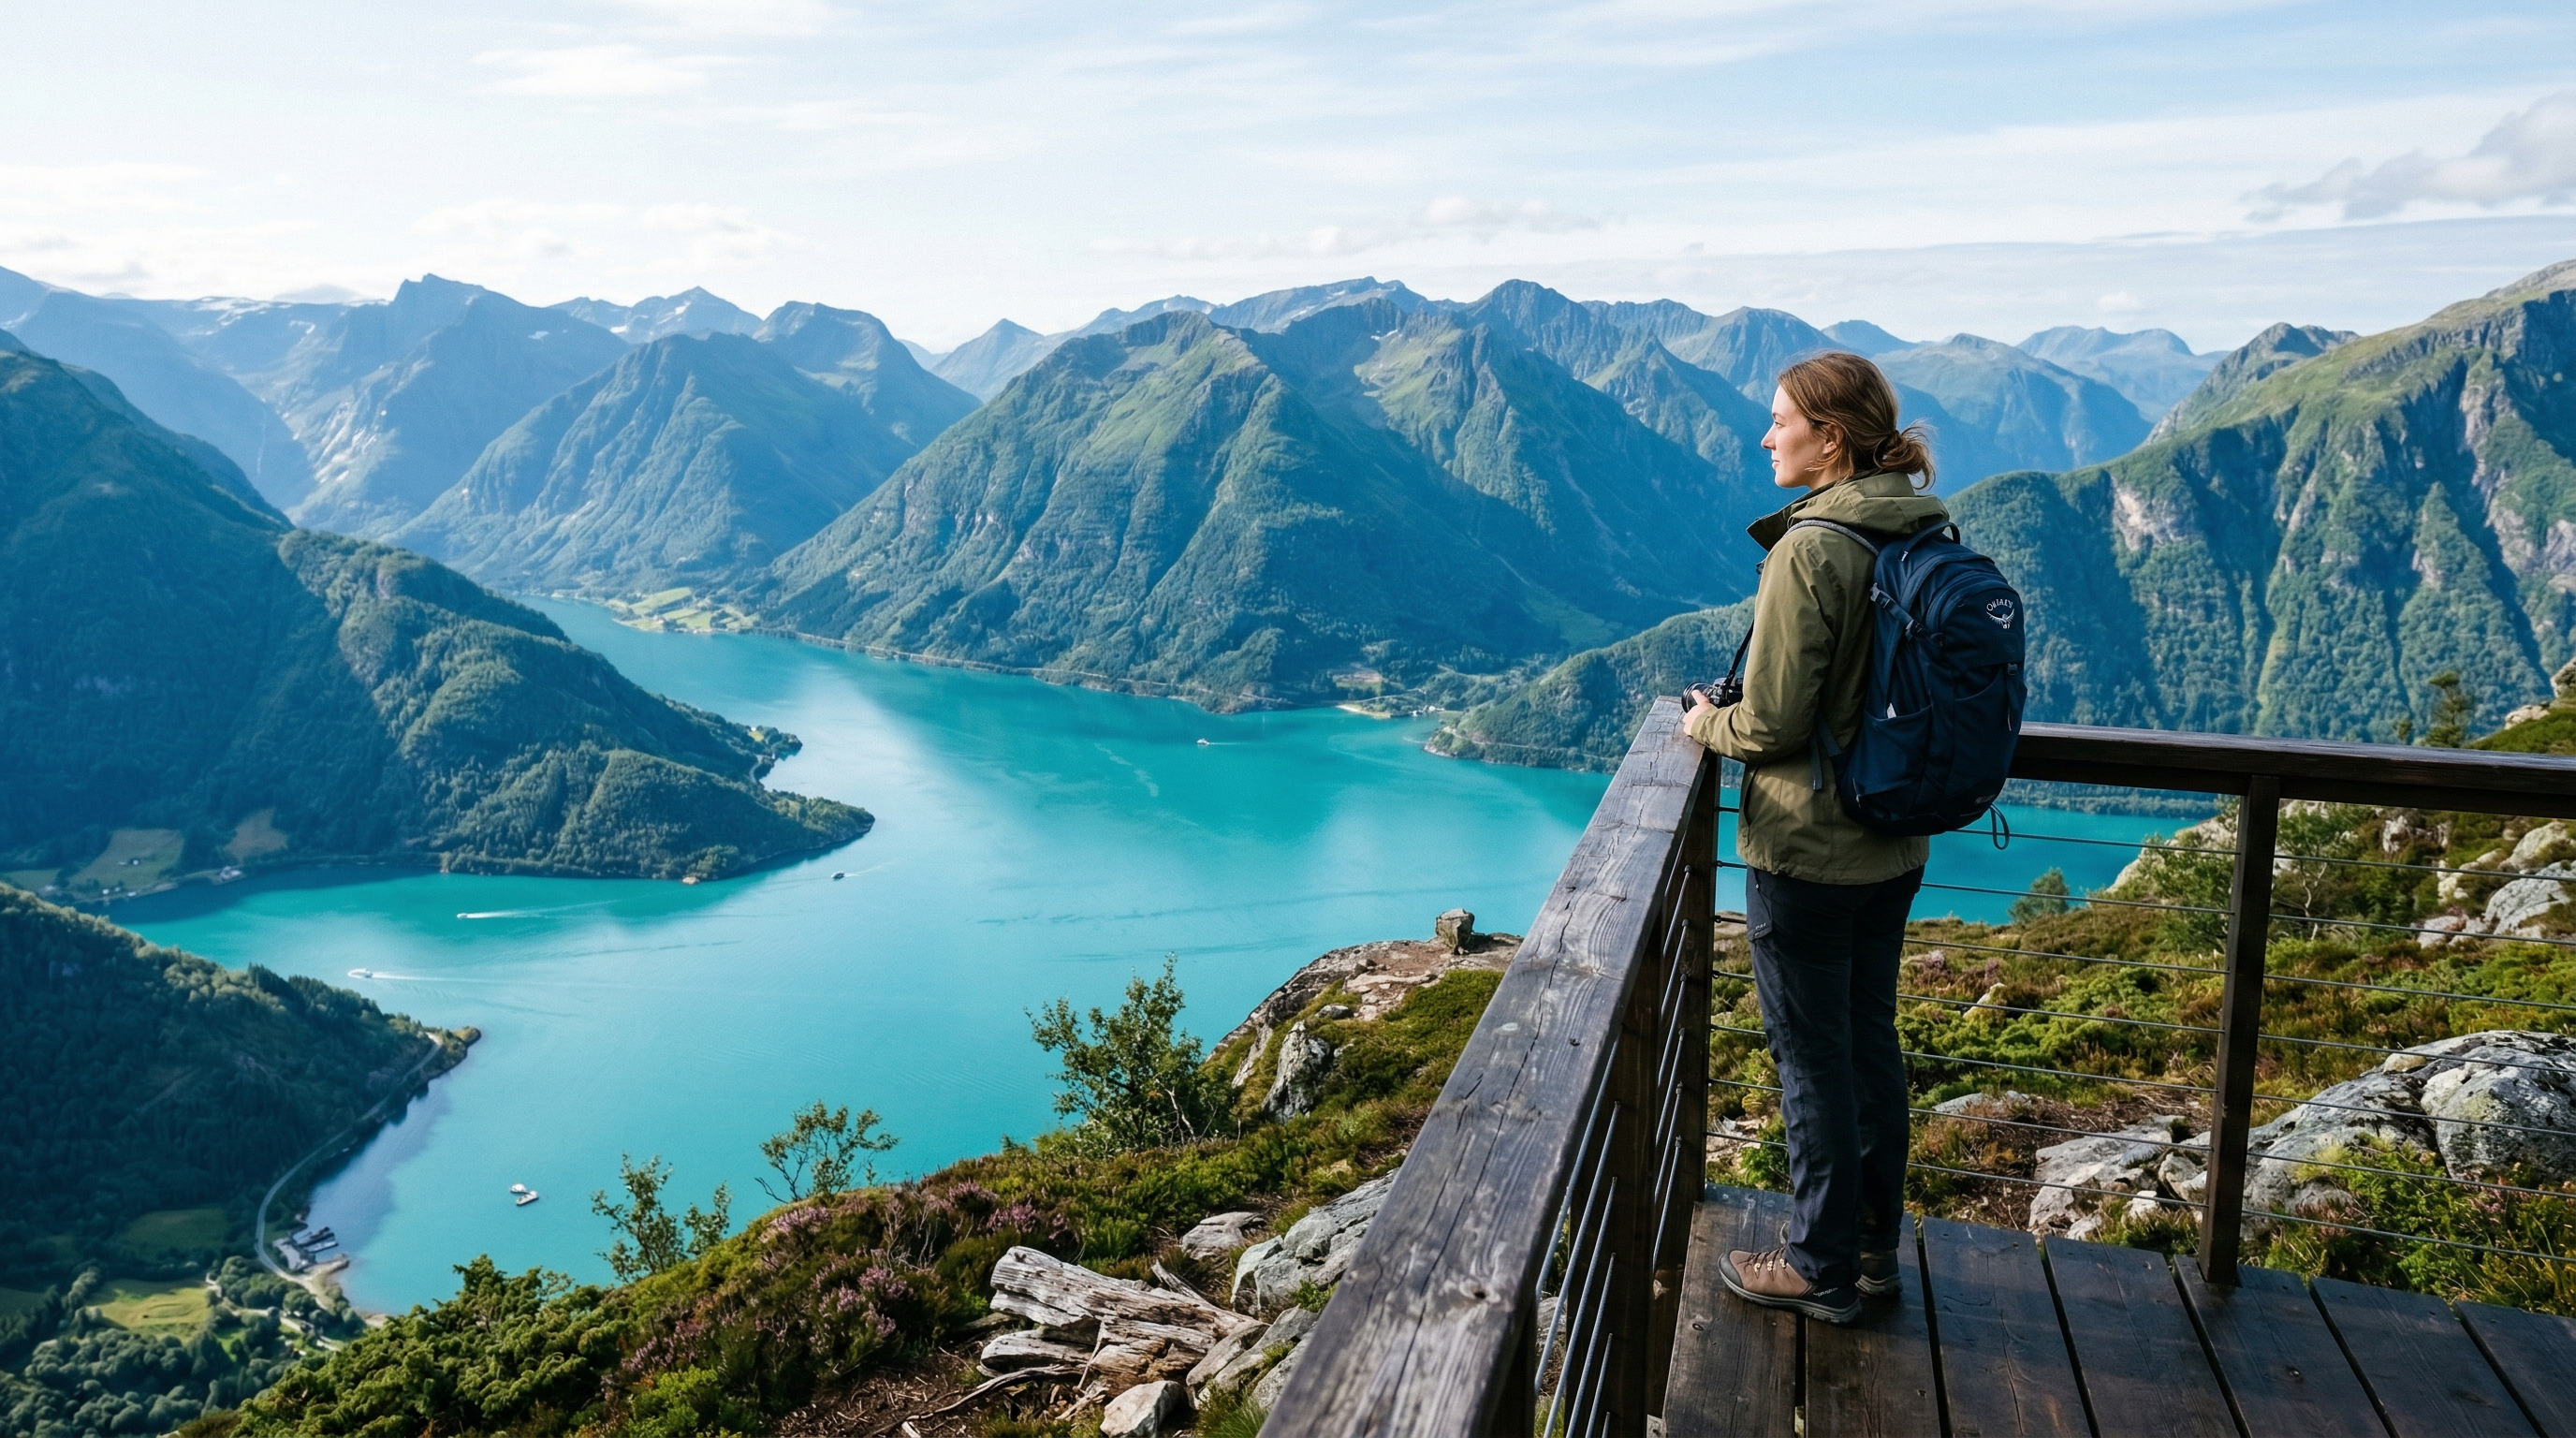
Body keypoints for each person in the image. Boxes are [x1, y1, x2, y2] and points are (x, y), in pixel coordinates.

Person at [1685, 350, 1946, 1324]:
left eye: (1779, 421)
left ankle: (1817, 1266)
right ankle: (1873, 1253)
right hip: (1894, 840)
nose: (1765, 437)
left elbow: (1774, 726)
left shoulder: (1813, 546)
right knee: (1867, 1048)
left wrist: (1698, 724)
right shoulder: (1920, 525)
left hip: (1809, 849)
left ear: (1828, 438)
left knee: (1810, 1063)